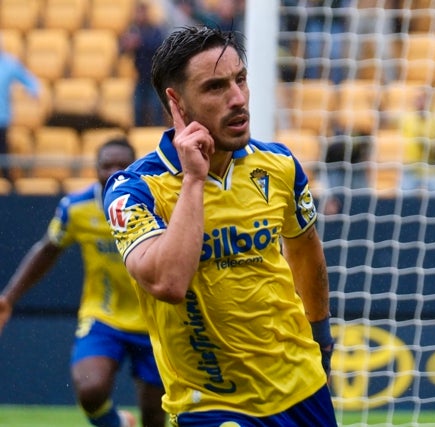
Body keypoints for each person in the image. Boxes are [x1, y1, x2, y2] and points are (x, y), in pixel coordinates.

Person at [102, 26, 337, 426]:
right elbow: (168, 283)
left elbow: (304, 250)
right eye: (215, 87)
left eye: (240, 79)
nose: (238, 99)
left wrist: (322, 338)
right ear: (176, 102)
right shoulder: (135, 190)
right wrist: (194, 179)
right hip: (211, 404)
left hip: (301, 387)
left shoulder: (278, 165)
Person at [0, 138, 165, 427]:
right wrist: (9, 297)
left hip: (155, 320)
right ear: (95, 169)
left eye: (121, 165)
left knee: (154, 415)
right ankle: (119, 424)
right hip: (103, 316)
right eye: (106, 165)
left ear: (134, 167)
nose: (113, 171)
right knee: (90, 390)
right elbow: (47, 250)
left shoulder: (156, 204)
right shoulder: (76, 208)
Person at [120, 1, 167, 127]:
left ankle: (158, 131)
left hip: (154, 77)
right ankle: (138, 132)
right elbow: (122, 50)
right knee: (137, 107)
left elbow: (159, 47)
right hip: (141, 76)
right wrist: (126, 44)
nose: (139, 16)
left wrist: (139, 42)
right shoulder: (133, 29)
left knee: (156, 107)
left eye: (141, 12)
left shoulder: (155, 29)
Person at [0, 39, 40, 179]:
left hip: (2, 117)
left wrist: (33, 91)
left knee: (2, 149)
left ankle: (6, 178)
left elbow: (29, 80)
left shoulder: (9, 64)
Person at [399, 87, 435, 192]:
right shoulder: (406, 118)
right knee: (401, 200)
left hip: (431, 169)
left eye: (423, 98)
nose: (419, 101)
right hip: (410, 169)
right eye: (417, 98)